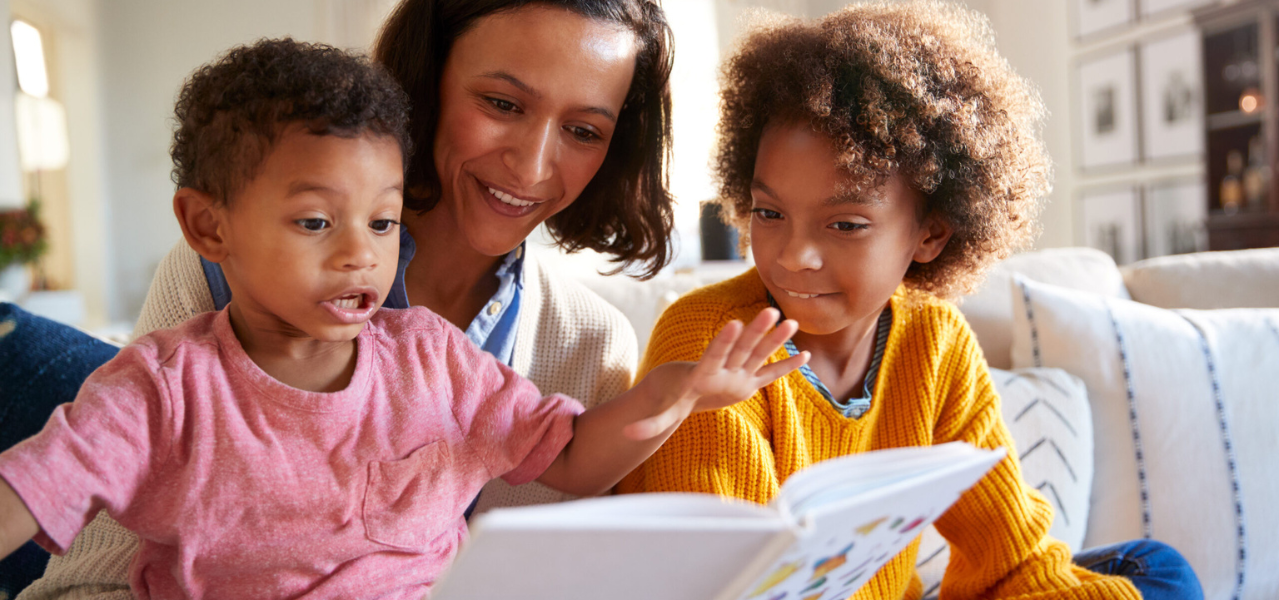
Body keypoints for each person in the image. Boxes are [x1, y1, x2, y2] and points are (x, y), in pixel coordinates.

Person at [0, 38, 806, 600]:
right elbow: (35, 486)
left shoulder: (432, 356)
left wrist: (674, 394)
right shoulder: (162, 387)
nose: (360, 255)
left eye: (383, 224)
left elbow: (571, 459)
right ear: (209, 228)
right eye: (316, 223)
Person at [616, 3, 1205, 599]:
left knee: (1156, 570)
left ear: (931, 233)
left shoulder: (936, 341)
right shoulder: (709, 343)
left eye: (844, 224)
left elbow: (1014, 561)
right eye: (770, 213)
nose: (795, 256)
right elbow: (727, 586)